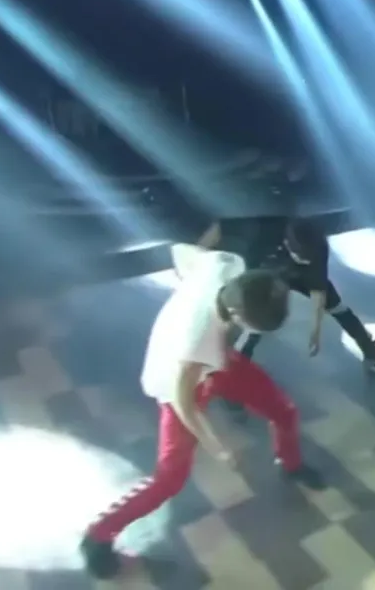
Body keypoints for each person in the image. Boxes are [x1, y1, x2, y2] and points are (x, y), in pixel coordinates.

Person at [80, 246, 324, 579]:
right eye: (254, 326)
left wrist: (187, 287)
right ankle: (97, 537)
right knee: (170, 478)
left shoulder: (226, 264)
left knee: (284, 410)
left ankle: (291, 463)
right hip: (178, 383)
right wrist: (218, 447)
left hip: (217, 359)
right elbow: (184, 403)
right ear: (237, 313)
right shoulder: (197, 342)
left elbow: (179, 249)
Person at [191, 215, 375, 382]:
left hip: (297, 276)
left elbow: (318, 289)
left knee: (340, 309)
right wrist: (196, 256)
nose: (307, 261)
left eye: (310, 260)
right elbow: (220, 227)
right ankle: (232, 374)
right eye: (301, 258)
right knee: (253, 326)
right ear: (287, 244)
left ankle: (370, 351)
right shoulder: (264, 228)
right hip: (263, 276)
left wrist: (315, 332)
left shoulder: (316, 247)